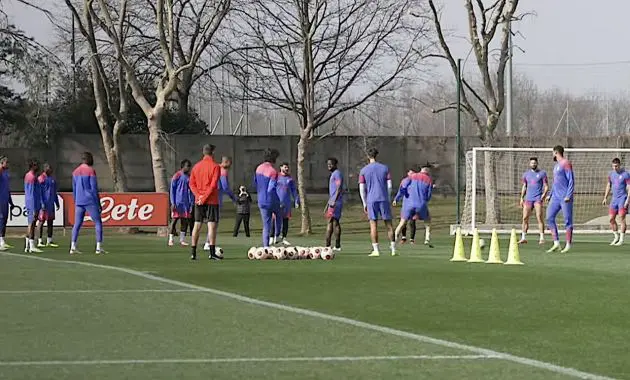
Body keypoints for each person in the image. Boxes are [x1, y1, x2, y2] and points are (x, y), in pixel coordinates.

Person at [358, 148, 396, 257]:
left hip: (371, 200)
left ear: (368, 156)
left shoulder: (364, 170)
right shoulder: (385, 168)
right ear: (377, 155)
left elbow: (362, 188)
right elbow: (389, 186)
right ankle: (393, 249)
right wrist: (387, 198)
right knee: (388, 224)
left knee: (373, 224)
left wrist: (364, 203)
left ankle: (376, 250)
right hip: (383, 198)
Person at [189, 144, 221, 260]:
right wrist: (205, 197)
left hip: (199, 200)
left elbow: (191, 184)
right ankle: (212, 253)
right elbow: (213, 185)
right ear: (212, 153)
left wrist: (198, 196)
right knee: (211, 226)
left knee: (197, 224)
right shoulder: (215, 166)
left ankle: (193, 252)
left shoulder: (196, 167)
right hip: (211, 200)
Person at [71, 152, 105, 255]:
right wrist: (98, 203)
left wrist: (76, 200)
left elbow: (74, 188)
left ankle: (73, 246)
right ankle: (98, 247)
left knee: (77, 224)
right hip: (89, 200)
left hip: (79, 200)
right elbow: (94, 188)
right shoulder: (91, 171)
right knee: (98, 222)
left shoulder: (75, 172)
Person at [394, 166, 434, 247]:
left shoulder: (411, 177)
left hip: (408, 204)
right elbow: (429, 195)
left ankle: (393, 240)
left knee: (402, 223)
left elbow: (403, 187)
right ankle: (427, 239)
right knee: (427, 222)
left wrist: (396, 199)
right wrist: (425, 200)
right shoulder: (429, 180)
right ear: (427, 171)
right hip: (421, 204)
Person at [546, 145, 575, 253]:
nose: (552, 154)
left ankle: (568, 244)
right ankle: (556, 243)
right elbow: (555, 182)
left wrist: (568, 194)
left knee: (567, 220)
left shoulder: (565, 163)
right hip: (555, 197)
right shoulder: (556, 166)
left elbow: (571, 180)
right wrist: (550, 194)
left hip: (565, 197)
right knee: (549, 217)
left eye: (553, 152)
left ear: (556, 152)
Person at [204, 156, 236, 250]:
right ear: (226, 162)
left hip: (210, 198)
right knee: (214, 222)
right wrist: (234, 198)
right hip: (216, 200)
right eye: (230, 163)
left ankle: (208, 242)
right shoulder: (222, 171)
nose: (230, 166)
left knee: (211, 221)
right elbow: (225, 187)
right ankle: (208, 243)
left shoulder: (214, 168)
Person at [254, 148, 282, 248]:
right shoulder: (273, 171)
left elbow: (255, 183)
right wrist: (278, 200)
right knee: (279, 214)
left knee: (266, 224)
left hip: (261, 199)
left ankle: (266, 247)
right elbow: (271, 188)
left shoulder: (258, 168)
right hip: (270, 199)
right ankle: (277, 235)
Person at [519, 157, 548, 245]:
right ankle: (523, 238)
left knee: (539, 217)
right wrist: (521, 198)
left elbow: (546, 186)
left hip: (537, 199)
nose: (533, 164)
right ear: (529, 164)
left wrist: (544, 195)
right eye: (532, 163)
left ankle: (542, 238)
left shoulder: (542, 173)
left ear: (537, 163)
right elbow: (524, 186)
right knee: (525, 218)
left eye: (534, 163)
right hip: (528, 199)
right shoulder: (526, 174)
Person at [602, 157, 630, 246]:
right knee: (611, 219)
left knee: (622, 217)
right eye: (613, 166)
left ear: (619, 165)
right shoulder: (611, 174)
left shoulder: (625, 174)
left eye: (616, 166)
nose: (615, 168)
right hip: (614, 199)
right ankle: (616, 237)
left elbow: (629, 187)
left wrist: (627, 200)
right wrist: (605, 197)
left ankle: (621, 239)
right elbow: (609, 185)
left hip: (623, 198)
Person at [168, 159, 193, 247]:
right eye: (187, 166)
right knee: (174, 220)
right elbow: (172, 190)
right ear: (183, 166)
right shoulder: (177, 176)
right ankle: (170, 239)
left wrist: (191, 203)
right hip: (177, 202)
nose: (189, 168)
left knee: (184, 221)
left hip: (185, 203)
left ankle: (182, 240)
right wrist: (173, 202)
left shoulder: (189, 177)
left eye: (190, 166)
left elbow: (191, 191)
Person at [275, 162, 299, 245]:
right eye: (285, 167)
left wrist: (296, 200)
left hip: (287, 203)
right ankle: (273, 236)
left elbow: (294, 191)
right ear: (281, 167)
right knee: (275, 219)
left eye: (287, 167)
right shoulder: (276, 177)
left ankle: (284, 237)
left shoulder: (290, 179)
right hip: (277, 202)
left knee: (285, 220)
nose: (286, 169)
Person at [37, 163, 60, 248]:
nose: (51, 170)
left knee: (50, 221)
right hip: (44, 204)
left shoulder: (52, 179)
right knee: (41, 221)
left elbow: (54, 192)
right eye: (50, 168)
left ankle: (49, 240)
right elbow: (39, 192)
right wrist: (41, 203)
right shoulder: (41, 178)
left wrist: (56, 202)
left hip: (50, 204)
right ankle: (39, 240)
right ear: (45, 169)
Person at [23, 159, 43, 253]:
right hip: (32, 203)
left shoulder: (29, 176)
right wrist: (34, 206)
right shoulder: (31, 177)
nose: (38, 167)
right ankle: (31, 245)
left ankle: (27, 245)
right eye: (36, 165)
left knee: (30, 223)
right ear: (33, 166)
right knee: (32, 223)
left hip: (32, 202)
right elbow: (31, 193)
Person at [324, 158, 343, 251]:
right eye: (328, 164)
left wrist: (333, 200)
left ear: (335, 165)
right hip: (333, 201)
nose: (329, 166)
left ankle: (331, 245)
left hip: (336, 202)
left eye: (331, 164)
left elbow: (338, 187)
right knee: (333, 222)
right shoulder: (333, 174)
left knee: (332, 222)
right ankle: (332, 245)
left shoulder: (337, 174)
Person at [393, 170, 415, 244]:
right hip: (406, 204)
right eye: (410, 172)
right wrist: (396, 199)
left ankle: (412, 239)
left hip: (414, 204)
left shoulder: (417, 181)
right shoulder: (405, 181)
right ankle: (402, 237)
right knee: (403, 222)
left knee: (412, 222)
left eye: (413, 173)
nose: (412, 174)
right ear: (408, 173)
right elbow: (401, 191)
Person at [0, 156, 15, 251]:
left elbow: (7, 188)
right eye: (6, 162)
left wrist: (11, 201)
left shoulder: (6, 173)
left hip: (5, 200)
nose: (8, 164)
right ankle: (0, 241)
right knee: (1, 219)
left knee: (4, 220)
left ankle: (2, 240)